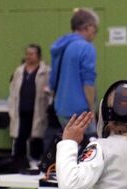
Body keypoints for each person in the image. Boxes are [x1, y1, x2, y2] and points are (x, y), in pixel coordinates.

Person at [49, 8, 99, 137]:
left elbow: (52, 81)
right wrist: (92, 110)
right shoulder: (86, 47)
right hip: (81, 111)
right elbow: (88, 83)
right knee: (88, 145)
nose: (95, 34)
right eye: (95, 29)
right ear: (88, 27)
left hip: (61, 109)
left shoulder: (60, 46)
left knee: (69, 143)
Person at [8, 44, 50, 167]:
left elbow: (50, 89)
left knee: (37, 136)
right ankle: (18, 163)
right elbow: (13, 89)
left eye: (31, 54)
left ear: (38, 56)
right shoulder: (19, 71)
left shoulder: (46, 71)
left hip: (38, 109)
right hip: (21, 109)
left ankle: (36, 162)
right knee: (20, 137)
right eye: (27, 54)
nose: (28, 56)